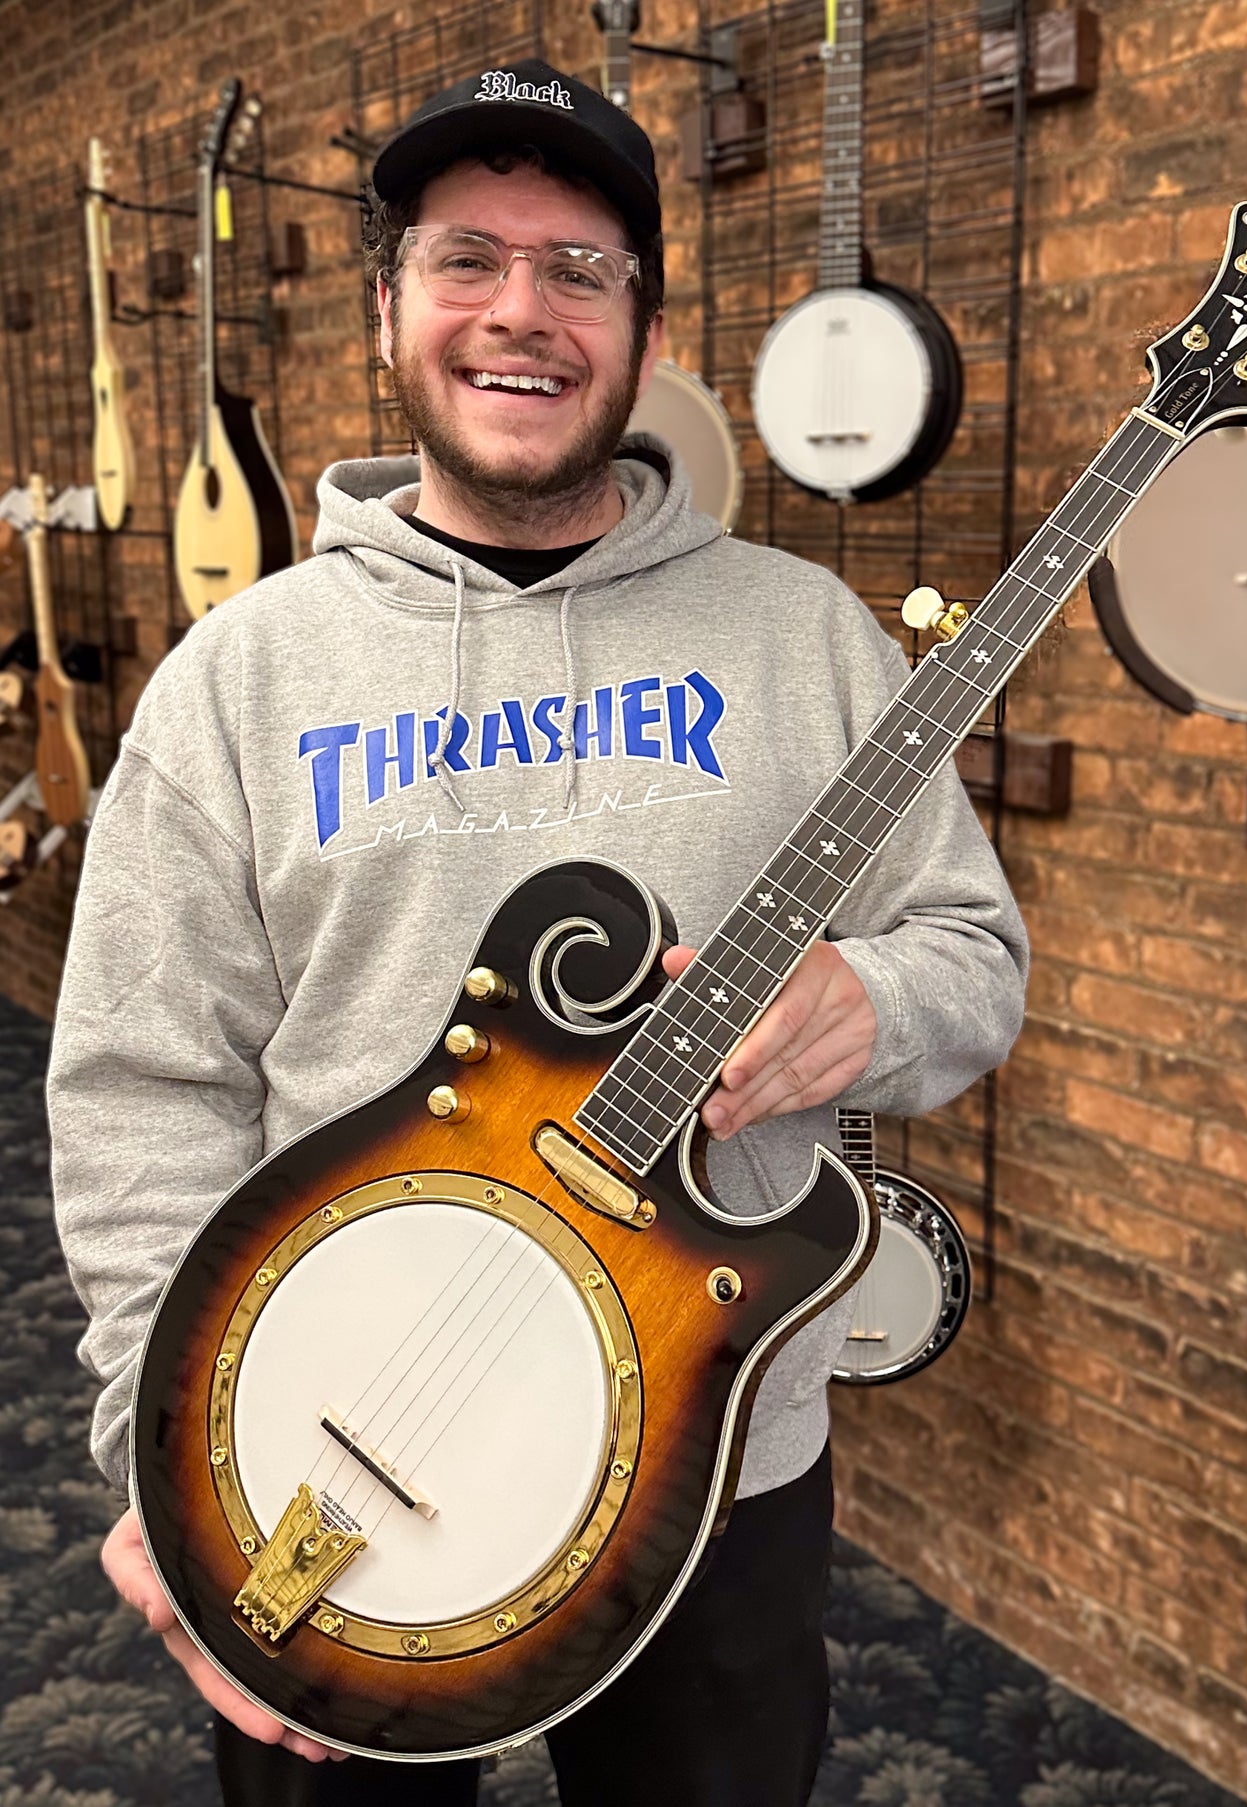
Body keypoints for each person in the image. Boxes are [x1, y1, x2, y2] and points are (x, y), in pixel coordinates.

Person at [47, 58, 1028, 1807]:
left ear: (646, 331)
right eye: (466, 261)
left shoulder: (802, 637)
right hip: (330, 1446)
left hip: (708, 1464)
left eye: (579, 269)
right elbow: (140, 1089)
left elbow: (974, 954)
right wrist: (159, 1447)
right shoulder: (236, 683)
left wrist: (865, 1002)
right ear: (388, 309)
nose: (523, 312)